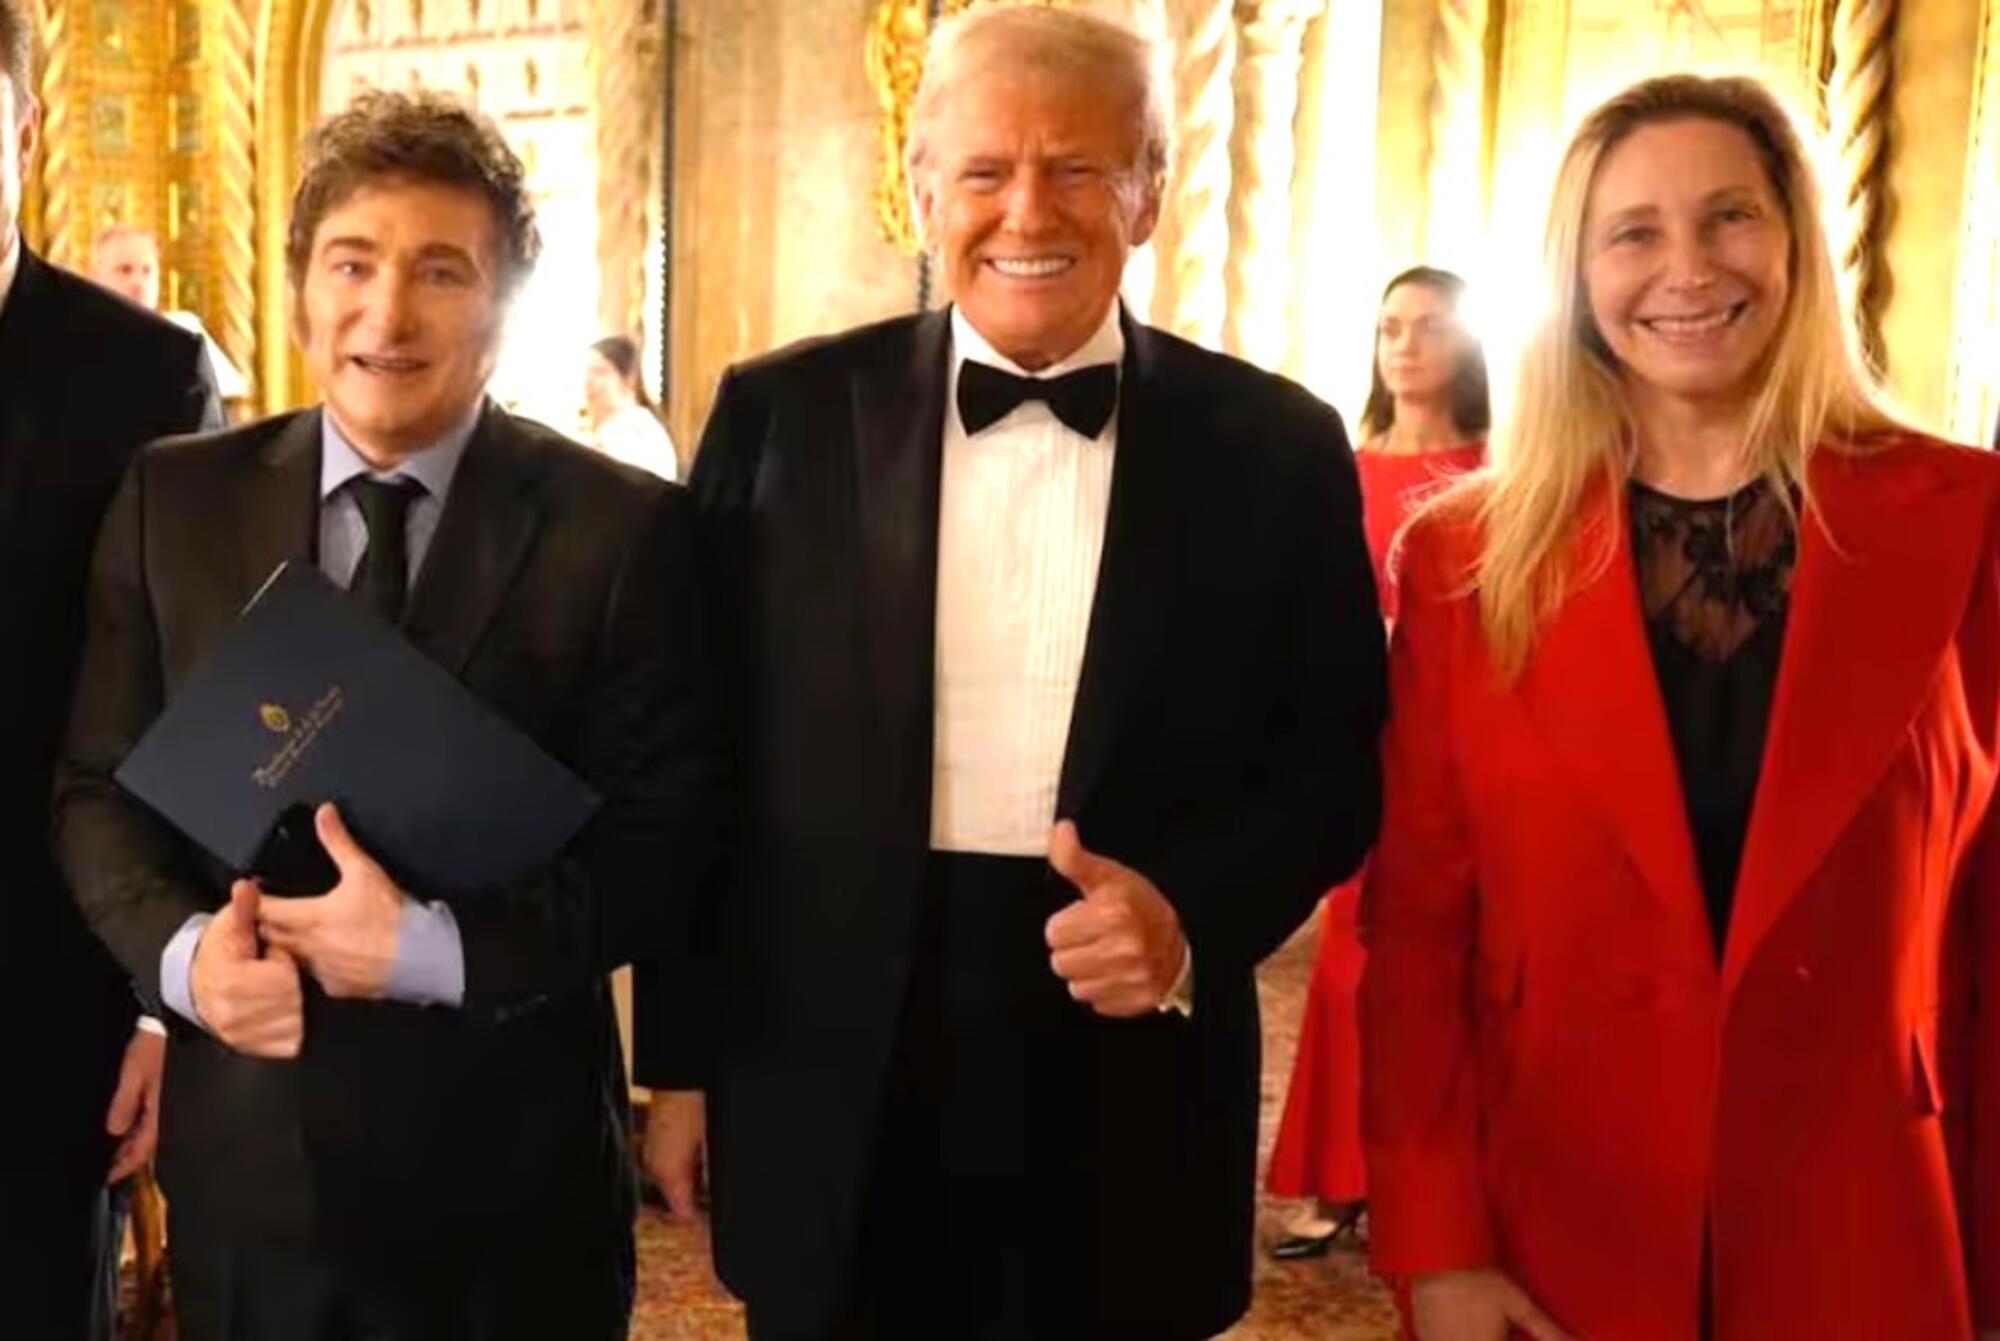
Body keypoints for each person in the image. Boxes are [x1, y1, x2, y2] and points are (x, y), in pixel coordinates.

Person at [635, 8, 1384, 1339]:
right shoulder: (781, 416)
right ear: (924, 194)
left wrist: (1188, 914)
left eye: (1080, 167)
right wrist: (680, 1069)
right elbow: (704, 759)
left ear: (1148, 194)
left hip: (1130, 1058)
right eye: (984, 170)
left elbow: (1336, 763)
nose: (1026, 208)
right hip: (833, 1060)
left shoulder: (1275, 446)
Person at [54, 90, 720, 1340]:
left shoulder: (619, 531)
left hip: (513, 1181)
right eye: (352, 264)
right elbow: (96, 788)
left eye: (440, 271)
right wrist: (186, 965)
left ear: (507, 300)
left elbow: (665, 846)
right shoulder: (173, 500)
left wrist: (429, 949)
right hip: (254, 1165)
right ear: (301, 283)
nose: (387, 314)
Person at [1360, 72, 2000, 1341]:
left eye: (1729, 217)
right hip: (1551, 1229)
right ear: (1576, 278)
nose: (1687, 268)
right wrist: (1436, 1253)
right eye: (1632, 233)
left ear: (1796, 244)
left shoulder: (1967, 521)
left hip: (1864, 1211)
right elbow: (1419, 935)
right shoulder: (1461, 560)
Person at [0, 2, 223, 1333]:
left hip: (45, 992)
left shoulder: (142, 373)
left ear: (20, 132)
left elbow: (192, 706)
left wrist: (160, 1002)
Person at [1265, 265, 1487, 1260]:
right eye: (1388, 326)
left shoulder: (1504, 471)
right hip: (1361, 741)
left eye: (1427, 327)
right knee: (1354, 961)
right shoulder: (1335, 472)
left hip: (1460, 744)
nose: (1403, 345)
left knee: (1458, 963)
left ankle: (1434, 1182)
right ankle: (1337, 1176)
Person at [89, 222, 252, 402]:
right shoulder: (80, 338)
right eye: (125, 270)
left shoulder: (182, 330)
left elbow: (232, 404)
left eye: (147, 270)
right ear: (96, 277)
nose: (138, 283)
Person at [584, 333, 677, 481]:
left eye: (600, 372)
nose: (589, 381)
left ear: (627, 379)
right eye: (588, 371)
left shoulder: (634, 432)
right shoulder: (614, 427)